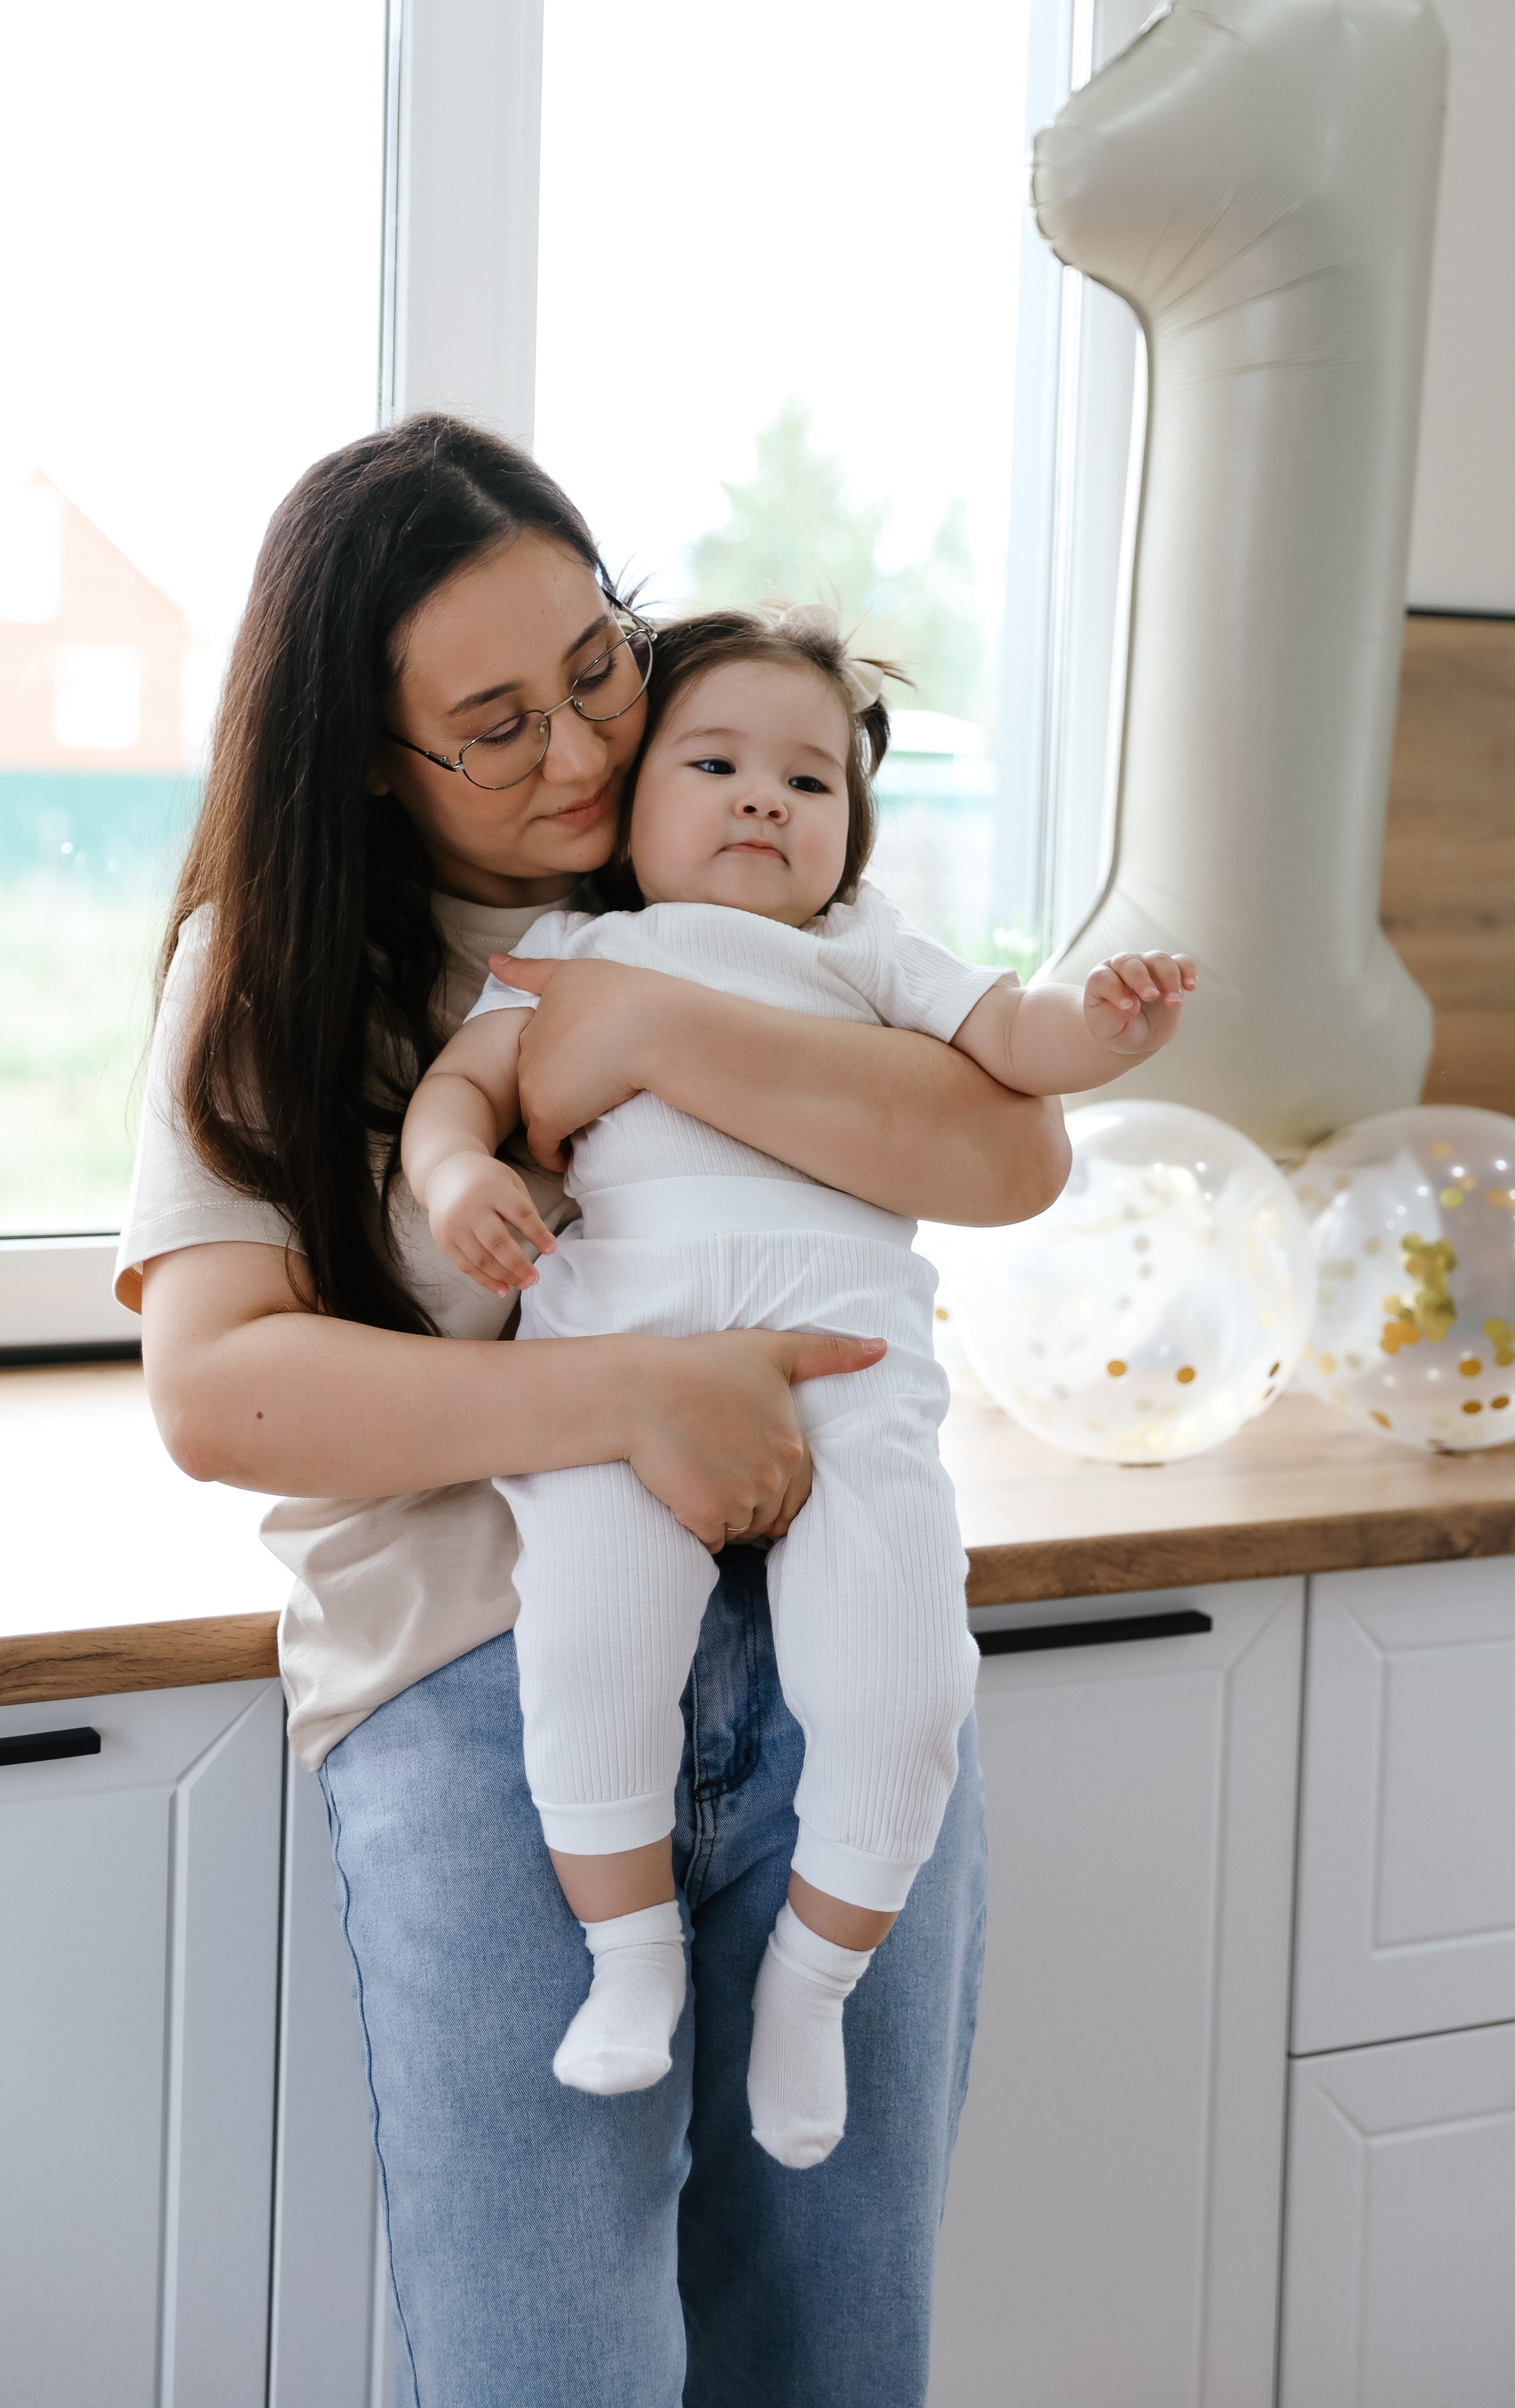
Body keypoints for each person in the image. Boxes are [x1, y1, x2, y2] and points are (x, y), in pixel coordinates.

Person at [118, 414, 1072, 2408]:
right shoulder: (276, 967)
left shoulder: (761, 897)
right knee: (550, 2371)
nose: (580, 752)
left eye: (598, 669)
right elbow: (220, 1392)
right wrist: (641, 1392)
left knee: (838, 2349)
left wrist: (650, 1023)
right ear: (369, 759)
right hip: (479, 1688)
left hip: (837, 1659)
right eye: (493, 727)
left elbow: (1008, 1165)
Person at [403, 601, 1196, 2170]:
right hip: (618, 1375)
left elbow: (1016, 1053)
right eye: (714, 762)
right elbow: (462, 1093)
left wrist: (1100, 1028)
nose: (764, 797)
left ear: (854, 830)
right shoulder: (572, 949)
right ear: (631, 811)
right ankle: (629, 1963)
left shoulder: (869, 952)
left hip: (857, 1377)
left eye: (810, 781)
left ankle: (812, 1985)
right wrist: (447, 1182)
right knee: (588, 1659)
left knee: (906, 1697)